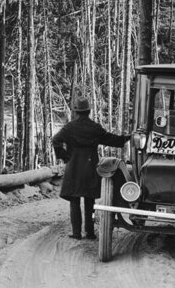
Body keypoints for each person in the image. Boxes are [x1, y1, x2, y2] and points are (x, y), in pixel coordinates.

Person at [52, 97, 129, 239]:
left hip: (74, 167)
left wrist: (64, 156)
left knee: (74, 201)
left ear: (76, 111)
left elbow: (55, 140)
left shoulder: (69, 128)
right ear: (88, 111)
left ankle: (76, 233)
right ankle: (90, 232)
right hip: (90, 167)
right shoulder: (94, 128)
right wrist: (126, 138)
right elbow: (111, 139)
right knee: (89, 201)